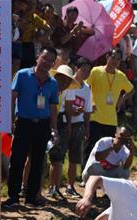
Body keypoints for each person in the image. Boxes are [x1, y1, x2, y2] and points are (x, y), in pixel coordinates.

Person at [6, 46, 59, 210]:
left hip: (42, 125)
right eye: (44, 59)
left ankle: (31, 197)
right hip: (23, 122)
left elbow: (52, 107)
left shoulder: (53, 82)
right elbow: (12, 98)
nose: (46, 63)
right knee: (17, 160)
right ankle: (13, 197)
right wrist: (9, 121)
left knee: (38, 162)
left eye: (50, 61)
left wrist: (54, 129)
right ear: (37, 57)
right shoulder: (22, 75)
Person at [86, 48, 133, 154]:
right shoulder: (96, 71)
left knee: (107, 151)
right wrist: (90, 103)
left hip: (111, 119)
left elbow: (131, 90)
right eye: (113, 57)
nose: (115, 61)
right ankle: (87, 170)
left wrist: (121, 99)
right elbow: (86, 87)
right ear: (107, 57)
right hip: (95, 116)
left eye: (118, 59)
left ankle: (103, 171)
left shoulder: (121, 76)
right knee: (91, 148)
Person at [57, 57, 92, 197]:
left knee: (74, 157)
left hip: (78, 124)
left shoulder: (87, 88)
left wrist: (87, 127)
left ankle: (70, 186)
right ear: (76, 69)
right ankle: (55, 186)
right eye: (83, 70)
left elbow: (88, 109)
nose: (85, 73)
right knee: (58, 156)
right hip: (64, 122)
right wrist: (71, 112)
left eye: (88, 71)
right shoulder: (66, 82)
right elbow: (63, 104)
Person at [45, 63, 74, 199]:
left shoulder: (67, 91)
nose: (64, 83)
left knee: (57, 157)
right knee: (36, 157)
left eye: (67, 81)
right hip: (44, 121)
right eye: (61, 79)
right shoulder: (47, 86)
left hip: (59, 122)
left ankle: (54, 187)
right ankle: (26, 187)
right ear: (56, 77)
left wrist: (68, 124)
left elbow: (68, 107)